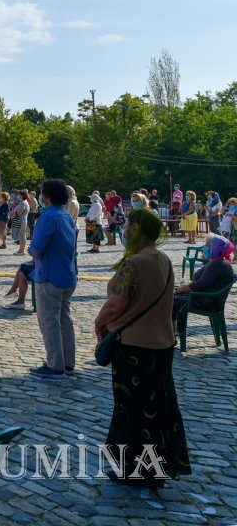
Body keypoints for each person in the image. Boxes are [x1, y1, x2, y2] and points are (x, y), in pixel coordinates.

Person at [93, 208, 190, 488]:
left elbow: (116, 304)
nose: (124, 230)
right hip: (162, 345)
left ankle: (135, 471)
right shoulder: (164, 260)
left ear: (135, 229)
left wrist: (99, 323)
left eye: (128, 226)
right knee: (159, 407)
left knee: (132, 410)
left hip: (135, 348)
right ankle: (158, 465)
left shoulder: (134, 263)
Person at [26, 179, 78, 380]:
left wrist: (32, 252)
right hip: (67, 274)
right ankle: (68, 363)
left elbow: (37, 248)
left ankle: (55, 365)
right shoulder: (66, 216)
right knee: (65, 321)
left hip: (49, 275)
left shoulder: (47, 217)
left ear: (46, 196)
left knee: (49, 322)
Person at [173, 233, 234, 338]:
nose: (204, 248)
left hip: (209, 301)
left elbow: (199, 285)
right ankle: (171, 331)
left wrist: (181, 289)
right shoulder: (217, 262)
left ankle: (176, 332)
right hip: (209, 297)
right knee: (174, 298)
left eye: (207, 245)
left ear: (214, 248)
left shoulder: (217, 264)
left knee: (174, 300)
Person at [11, 190, 31, 255]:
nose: (18, 196)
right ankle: (20, 250)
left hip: (21, 220)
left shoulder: (23, 203)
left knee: (22, 235)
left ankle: (21, 251)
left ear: (22, 196)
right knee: (21, 235)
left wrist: (12, 214)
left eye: (19, 195)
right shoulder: (23, 202)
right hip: (22, 220)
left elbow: (19, 213)